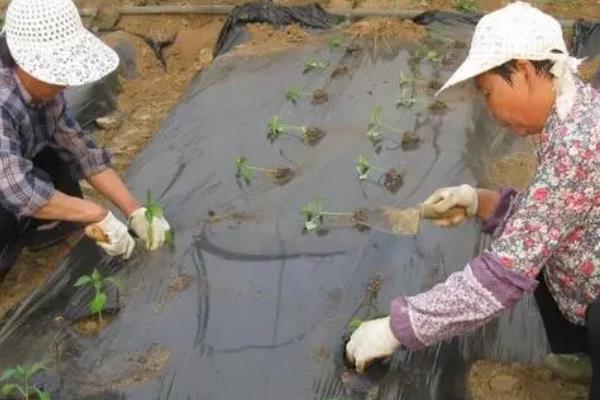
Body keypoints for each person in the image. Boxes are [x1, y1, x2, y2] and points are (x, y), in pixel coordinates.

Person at [346, 2, 600, 398]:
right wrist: (478, 201)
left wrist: (399, 327)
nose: (489, 109)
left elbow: (502, 276)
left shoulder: (578, 143)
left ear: (524, 69)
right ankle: (585, 356)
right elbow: (548, 217)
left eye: (488, 92)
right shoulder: (570, 112)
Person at [0, 0, 172, 282]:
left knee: (56, 157)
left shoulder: (46, 92)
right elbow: (17, 188)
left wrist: (134, 209)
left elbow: (79, 150)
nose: (64, 84)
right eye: (57, 72)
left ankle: (44, 226)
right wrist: (98, 213)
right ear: (23, 63)